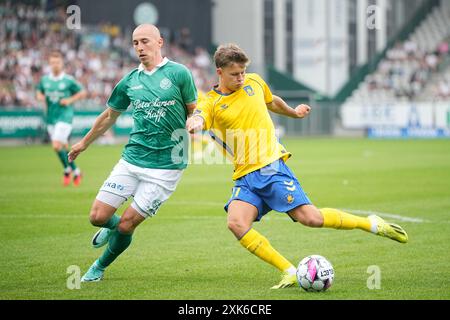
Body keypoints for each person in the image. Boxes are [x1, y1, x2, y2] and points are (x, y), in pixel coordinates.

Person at [186, 44, 408, 289]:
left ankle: (372, 223)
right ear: (219, 72)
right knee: (236, 223)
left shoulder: (255, 82)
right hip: (245, 176)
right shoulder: (212, 102)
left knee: (311, 219)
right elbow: (201, 115)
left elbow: (272, 102)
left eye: (242, 72)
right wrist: (195, 121)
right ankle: (290, 271)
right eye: (234, 74)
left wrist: (294, 112)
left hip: (271, 167)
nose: (240, 78)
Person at [68, 24, 197, 282]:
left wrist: (195, 120)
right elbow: (108, 117)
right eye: (135, 42)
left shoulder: (179, 73)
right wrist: (84, 143)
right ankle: (113, 230)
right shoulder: (129, 81)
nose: (139, 47)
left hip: (167, 166)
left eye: (145, 41)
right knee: (97, 217)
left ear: (160, 42)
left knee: (127, 224)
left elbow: (195, 108)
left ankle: (99, 266)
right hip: (132, 159)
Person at [36, 50, 87, 186]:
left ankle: (66, 170)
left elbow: (82, 92)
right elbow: (39, 92)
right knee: (63, 146)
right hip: (51, 118)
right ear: (49, 64)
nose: (55, 65)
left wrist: (70, 100)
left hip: (65, 117)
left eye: (57, 62)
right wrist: (40, 97)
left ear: (62, 63)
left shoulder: (68, 80)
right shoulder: (45, 80)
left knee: (56, 145)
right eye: (52, 63)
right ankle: (76, 171)